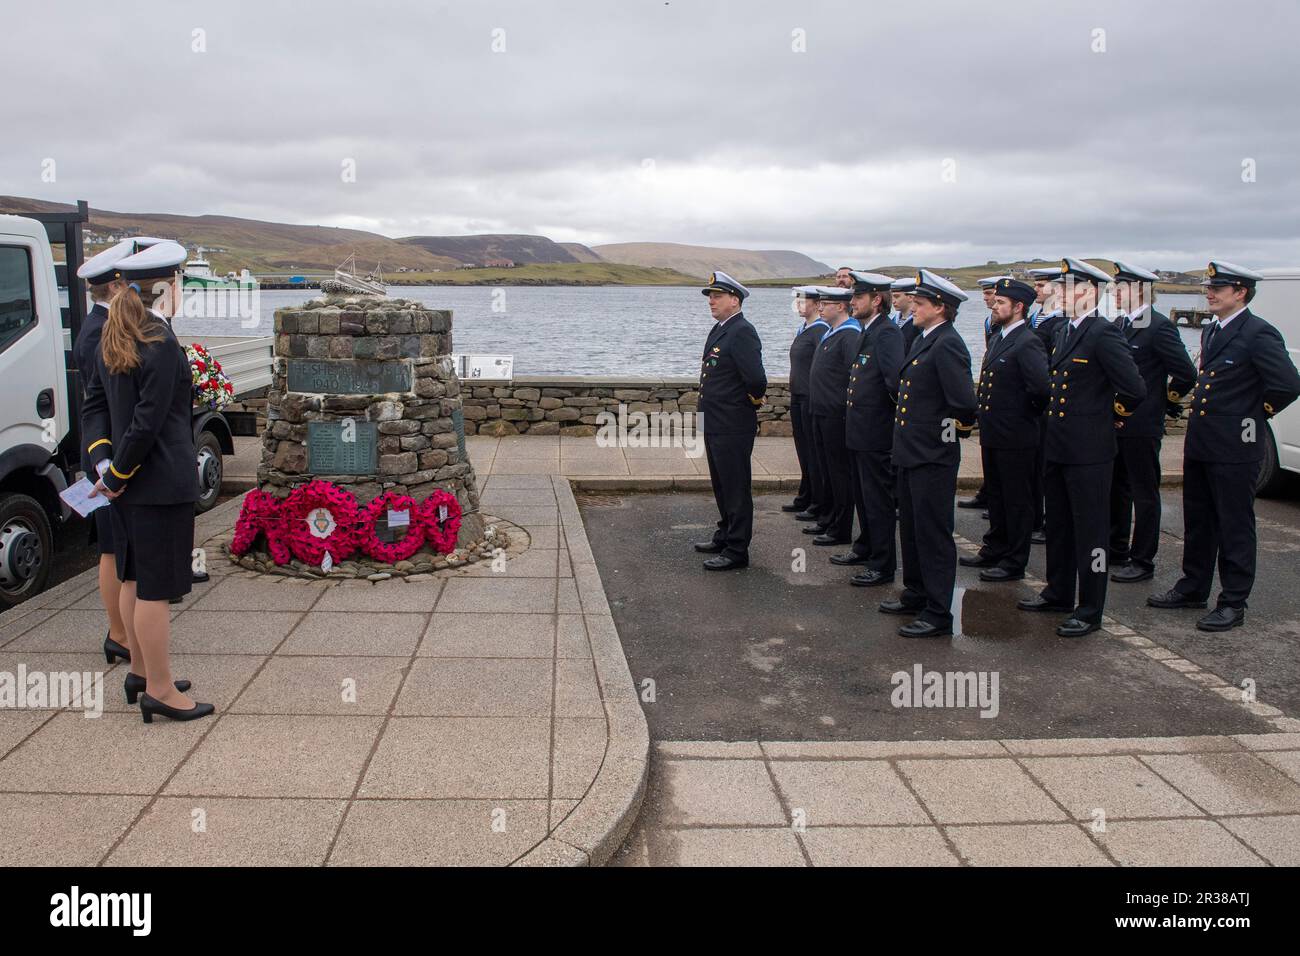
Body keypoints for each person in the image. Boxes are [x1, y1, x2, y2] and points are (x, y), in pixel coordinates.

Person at [83, 240, 211, 722]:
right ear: (167, 286)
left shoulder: (115, 332)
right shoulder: (159, 340)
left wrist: (104, 466)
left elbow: (95, 408)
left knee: (133, 578)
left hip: (129, 486)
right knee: (156, 589)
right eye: (179, 281)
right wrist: (117, 473)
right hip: (160, 484)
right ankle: (160, 689)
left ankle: (140, 670)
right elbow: (148, 420)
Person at [1149, 261, 1300, 630]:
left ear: (1241, 292)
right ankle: (1193, 587)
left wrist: (1250, 415)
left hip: (1235, 447)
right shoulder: (1214, 331)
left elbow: (1288, 384)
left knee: (1234, 524)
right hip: (1202, 443)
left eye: (1218, 288)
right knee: (1199, 520)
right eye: (1209, 287)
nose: (1209, 293)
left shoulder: (1258, 333)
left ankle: (1234, 601)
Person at [1017, 257, 1144, 637]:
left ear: (1088, 293)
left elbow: (1135, 388)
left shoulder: (1102, 333)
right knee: (1058, 525)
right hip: (1058, 445)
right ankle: (1058, 592)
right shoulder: (1065, 331)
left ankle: (1090, 608)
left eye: (1066, 288)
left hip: (1089, 452)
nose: (1058, 293)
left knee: (1091, 532)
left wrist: (1112, 415)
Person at [879, 270, 977, 638]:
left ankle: (939, 612)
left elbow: (964, 404)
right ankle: (916, 592)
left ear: (940, 307)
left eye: (919, 303)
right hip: (910, 452)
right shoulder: (926, 339)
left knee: (934, 535)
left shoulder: (948, 343)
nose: (912, 309)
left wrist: (942, 440)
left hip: (931, 457)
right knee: (913, 530)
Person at [1107, 261, 1196, 584]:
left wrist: (1167, 402)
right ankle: (1115, 546)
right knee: (1117, 488)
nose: (1114, 293)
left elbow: (1186, 372)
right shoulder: (1119, 324)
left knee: (1144, 492)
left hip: (1142, 424)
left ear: (1140, 290)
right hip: (1116, 422)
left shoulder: (1158, 327)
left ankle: (1142, 559)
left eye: (1120, 287)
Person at [960, 278, 1049, 581]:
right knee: (996, 495)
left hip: (1017, 435)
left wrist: (1021, 418)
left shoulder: (1028, 341)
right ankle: (994, 547)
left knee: (1017, 500)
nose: (994, 306)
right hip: (994, 432)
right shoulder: (1000, 336)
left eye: (1000, 303)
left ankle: (1014, 560)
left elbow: (1040, 389)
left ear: (1018, 307)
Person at [74, 240, 135, 665]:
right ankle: (118, 633)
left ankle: (122, 630)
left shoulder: (98, 326)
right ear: (115, 288)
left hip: (108, 454)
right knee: (113, 550)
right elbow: (103, 403)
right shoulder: (101, 333)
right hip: (109, 455)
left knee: (115, 548)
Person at [694, 271, 766, 570]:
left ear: (734, 300)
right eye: (710, 296)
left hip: (732, 423)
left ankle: (737, 549)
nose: (711, 301)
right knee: (722, 484)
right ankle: (725, 534)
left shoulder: (742, 331)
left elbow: (756, 380)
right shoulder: (722, 328)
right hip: (715, 422)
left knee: (736, 487)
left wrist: (743, 405)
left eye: (717, 296)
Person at [837, 272, 903, 586]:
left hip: (876, 433)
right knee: (864, 497)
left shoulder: (887, 333)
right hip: (860, 431)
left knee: (878, 501)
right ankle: (865, 546)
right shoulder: (869, 330)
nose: (851, 303)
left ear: (876, 300)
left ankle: (882, 563)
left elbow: (894, 384)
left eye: (858, 297)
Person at [805, 286, 861, 546]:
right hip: (820, 412)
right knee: (826, 469)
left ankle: (840, 528)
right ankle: (828, 518)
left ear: (841, 306)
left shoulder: (849, 335)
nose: (820, 307)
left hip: (835, 414)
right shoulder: (831, 332)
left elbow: (855, 376)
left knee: (839, 473)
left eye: (825, 304)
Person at [1027, 266, 1066, 543]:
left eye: (1042, 285)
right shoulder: (1037, 319)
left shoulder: (1059, 323)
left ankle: (1045, 521)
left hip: (1048, 404)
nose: (1037, 290)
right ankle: (1034, 516)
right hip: (1034, 405)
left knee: (1045, 466)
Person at [784, 287, 828, 517]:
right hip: (798, 395)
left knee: (813, 452)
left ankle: (817, 501)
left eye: (803, 300)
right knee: (803, 450)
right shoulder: (805, 329)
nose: (799, 304)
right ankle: (806, 494)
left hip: (811, 397)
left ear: (816, 304)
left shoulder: (821, 330)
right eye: (797, 301)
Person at [891, 278, 921, 352]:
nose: (893, 301)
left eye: (896, 296)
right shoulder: (893, 320)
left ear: (910, 297)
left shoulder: (919, 324)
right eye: (892, 297)